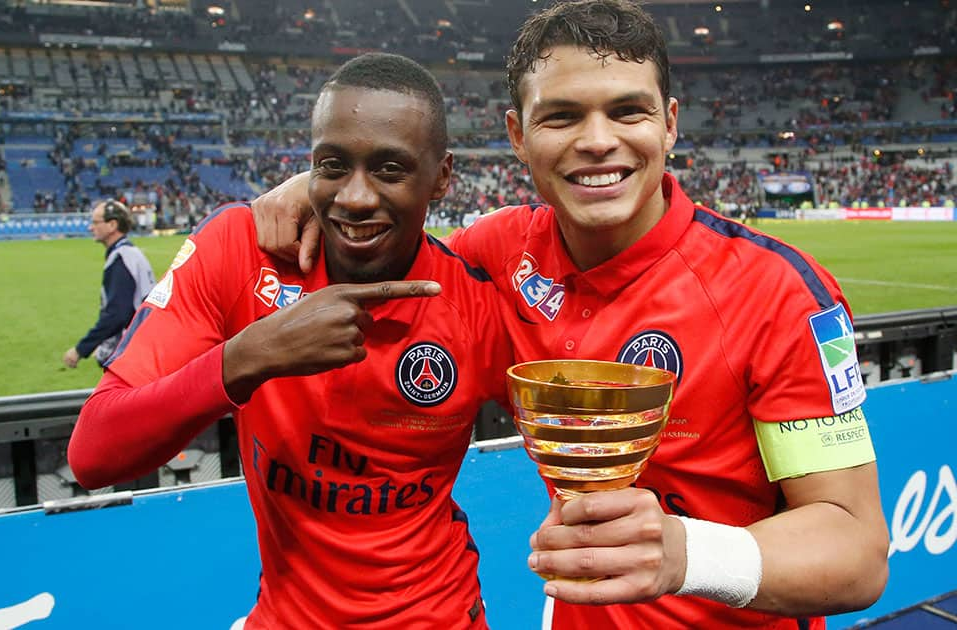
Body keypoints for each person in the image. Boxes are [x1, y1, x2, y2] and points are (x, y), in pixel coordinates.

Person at [249, 1, 890, 628]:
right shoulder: (495, 254)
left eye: (627, 111)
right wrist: (314, 187)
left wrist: (687, 554)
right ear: (517, 137)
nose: (597, 141)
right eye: (561, 117)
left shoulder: (783, 294)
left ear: (668, 123)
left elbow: (858, 553)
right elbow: (383, 229)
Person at [67, 53, 512, 628]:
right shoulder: (239, 251)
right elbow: (93, 453)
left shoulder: (475, 303)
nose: (355, 197)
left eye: (390, 169)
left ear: (443, 176)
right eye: (332, 165)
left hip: (437, 614)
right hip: (286, 616)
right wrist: (249, 357)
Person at [63, 198, 155, 369]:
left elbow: (117, 314)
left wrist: (81, 349)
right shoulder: (128, 254)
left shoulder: (122, 258)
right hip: (143, 346)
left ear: (112, 225)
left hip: (133, 354)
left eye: (96, 222)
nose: (91, 227)